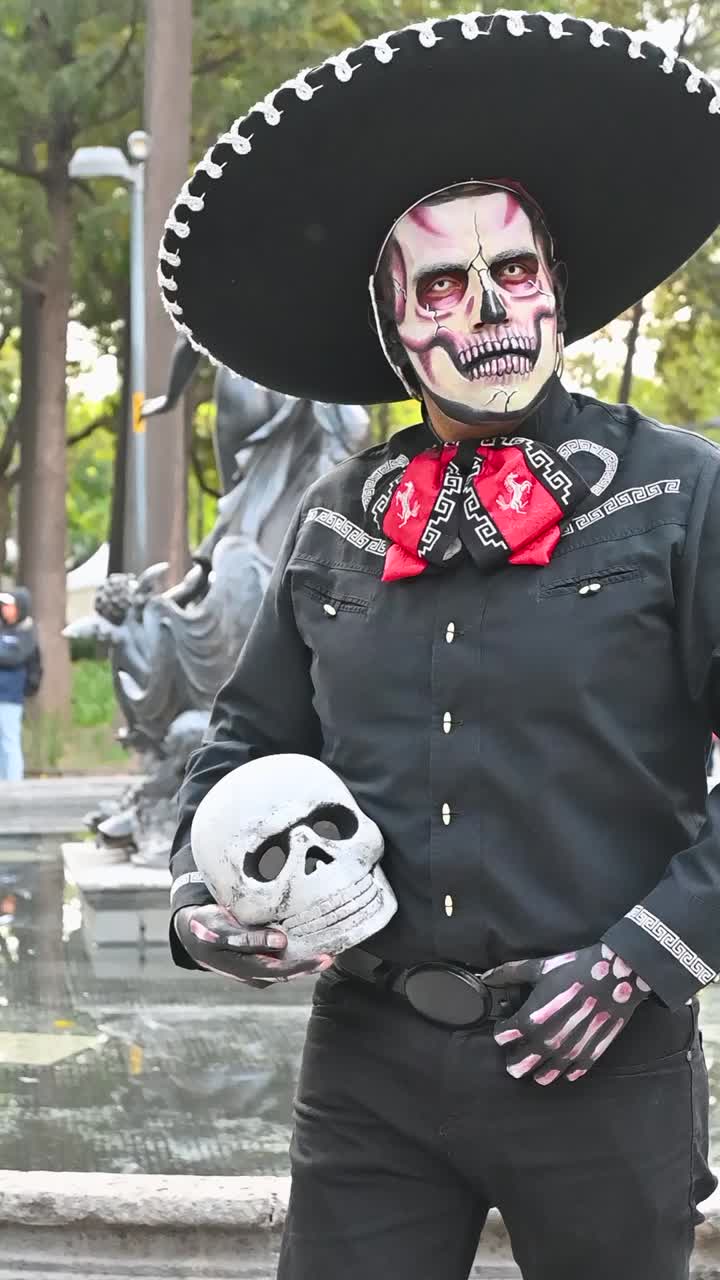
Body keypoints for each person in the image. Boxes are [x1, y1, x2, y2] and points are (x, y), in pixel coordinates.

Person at [159, 13, 720, 1279]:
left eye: (515, 270)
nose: (493, 310)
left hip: (604, 1060)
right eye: (445, 286)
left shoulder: (682, 495)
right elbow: (243, 743)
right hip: (372, 1066)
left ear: (557, 282)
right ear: (393, 323)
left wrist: (642, 961)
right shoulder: (337, 522)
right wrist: (202, 904)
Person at [0, 589, 42, 782]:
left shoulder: (26, 633)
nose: (4, 609)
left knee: (9, 741)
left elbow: (15, 657)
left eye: (9, 605)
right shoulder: (3, 629)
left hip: (10, 697)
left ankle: (14, 785)